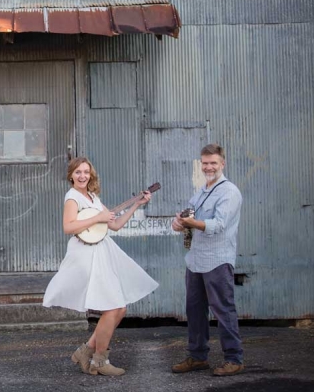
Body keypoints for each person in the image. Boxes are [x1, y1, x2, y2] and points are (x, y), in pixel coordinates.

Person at [43, 157, 158, 376]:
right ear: (71, 176)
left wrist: (136, 204)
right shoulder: (73, 197)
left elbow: (114, 224)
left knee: (120, 308)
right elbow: (68, 227)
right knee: (112, 308)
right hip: (85, 254)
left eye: (86, 172)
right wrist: (98, 217)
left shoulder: (93, 197)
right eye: (78, 172)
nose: (82, 176)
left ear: (91, 175)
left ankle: (86, 351)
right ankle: (99, 361)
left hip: (102, 251)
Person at [171, 143, 244, 376]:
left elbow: (219, 225)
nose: (209, 167)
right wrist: (178, 223)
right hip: (196, 261)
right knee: (194, 311)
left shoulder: (229, 192)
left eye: (213, 163)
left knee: (223, 310)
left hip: (218, 260)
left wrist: (192, 223)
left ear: (223, 164)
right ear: (200, 165)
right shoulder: (200, 193)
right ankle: (197, 356)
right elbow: (188, 218)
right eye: (205, 163)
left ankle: (234, 359)